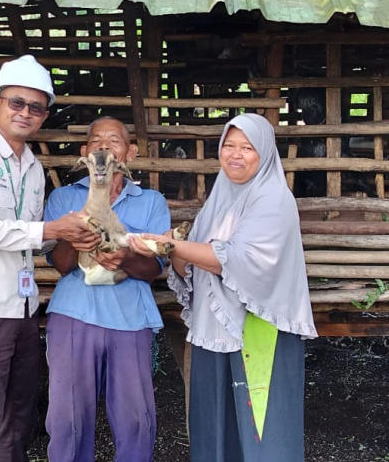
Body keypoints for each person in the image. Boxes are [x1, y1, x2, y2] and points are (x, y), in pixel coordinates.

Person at [132, 113, 317, 462]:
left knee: (262, 437)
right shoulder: (220, 200)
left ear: (264, 153)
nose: (236, 154)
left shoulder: (273, 199)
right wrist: (178, 251)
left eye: (247, 147)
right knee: (215, 430)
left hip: (260, 334)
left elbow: (234, 259)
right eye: (229, 145)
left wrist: (171, 247)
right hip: (213, 331)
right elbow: (194, 263)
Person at [0, 55, 99, 462]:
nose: (25, 113)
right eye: (16, 103)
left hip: (23, 309)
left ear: (44, 115)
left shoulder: (32, 167)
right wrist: (52, 230)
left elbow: (32, 239)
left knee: (17, 416)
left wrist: (77, 236)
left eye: (36, 107)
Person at [43, 116, 171, 462]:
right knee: (68, 417)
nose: (104, 146)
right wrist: (90, 211)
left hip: (131, 317)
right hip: (73, 313)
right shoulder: (63, 198)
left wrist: (127, 256)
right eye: (96, 140)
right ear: (84, 152)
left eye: (114, 140)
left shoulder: (152, 202)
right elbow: (63, 263)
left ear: (129, 152)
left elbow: (151, 271)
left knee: (135, 419)